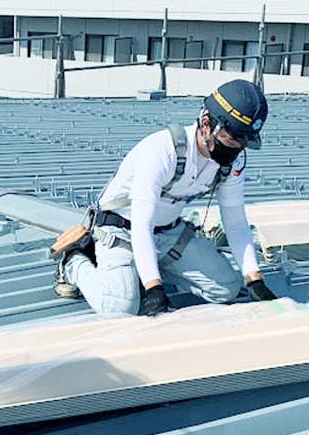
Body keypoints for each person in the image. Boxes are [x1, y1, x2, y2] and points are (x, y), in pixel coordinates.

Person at [57, 79, 272, 316]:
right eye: (231, 141)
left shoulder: (230, 163)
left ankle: (144, 267)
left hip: (168, 233)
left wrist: (254, 279)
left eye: (242, 144)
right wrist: (153, 288)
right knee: (121, 307)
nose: (235, 150)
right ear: (206, 124)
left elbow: (236, 223)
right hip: (122, 230)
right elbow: (142, 225)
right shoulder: (163, 150)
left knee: (227, 289)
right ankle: (72, 261)